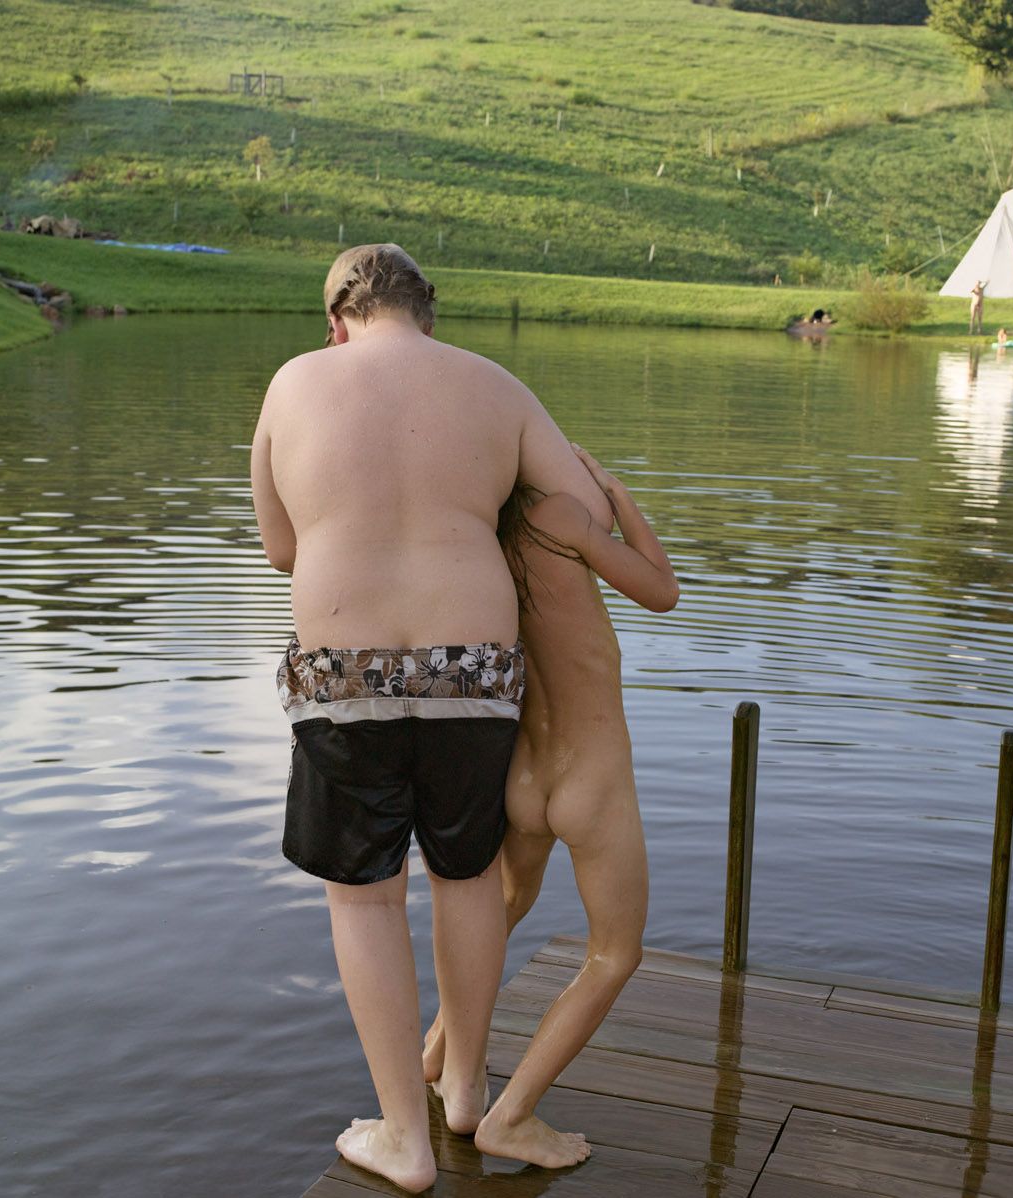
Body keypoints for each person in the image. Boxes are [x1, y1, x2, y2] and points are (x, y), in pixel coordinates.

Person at [251, 243, 611, 1194]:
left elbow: (282, 548)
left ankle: (403, 1140)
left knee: (365, 895)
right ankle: (464, 1093)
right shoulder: (493, 384)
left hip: (343, 674)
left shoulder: (295, 382)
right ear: (429, 312)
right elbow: (580, 512)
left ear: (335, 319)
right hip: (477, 673)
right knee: (467, 875)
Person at [422, 446, 677, 1168]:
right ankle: (514, 1115)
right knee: (613, 954)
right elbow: (662, 591)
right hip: (589, 776)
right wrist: (618, 497)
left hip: (524, 775)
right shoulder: (555, 515)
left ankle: (436, 1056)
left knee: (501, 905)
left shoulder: (478, 538)